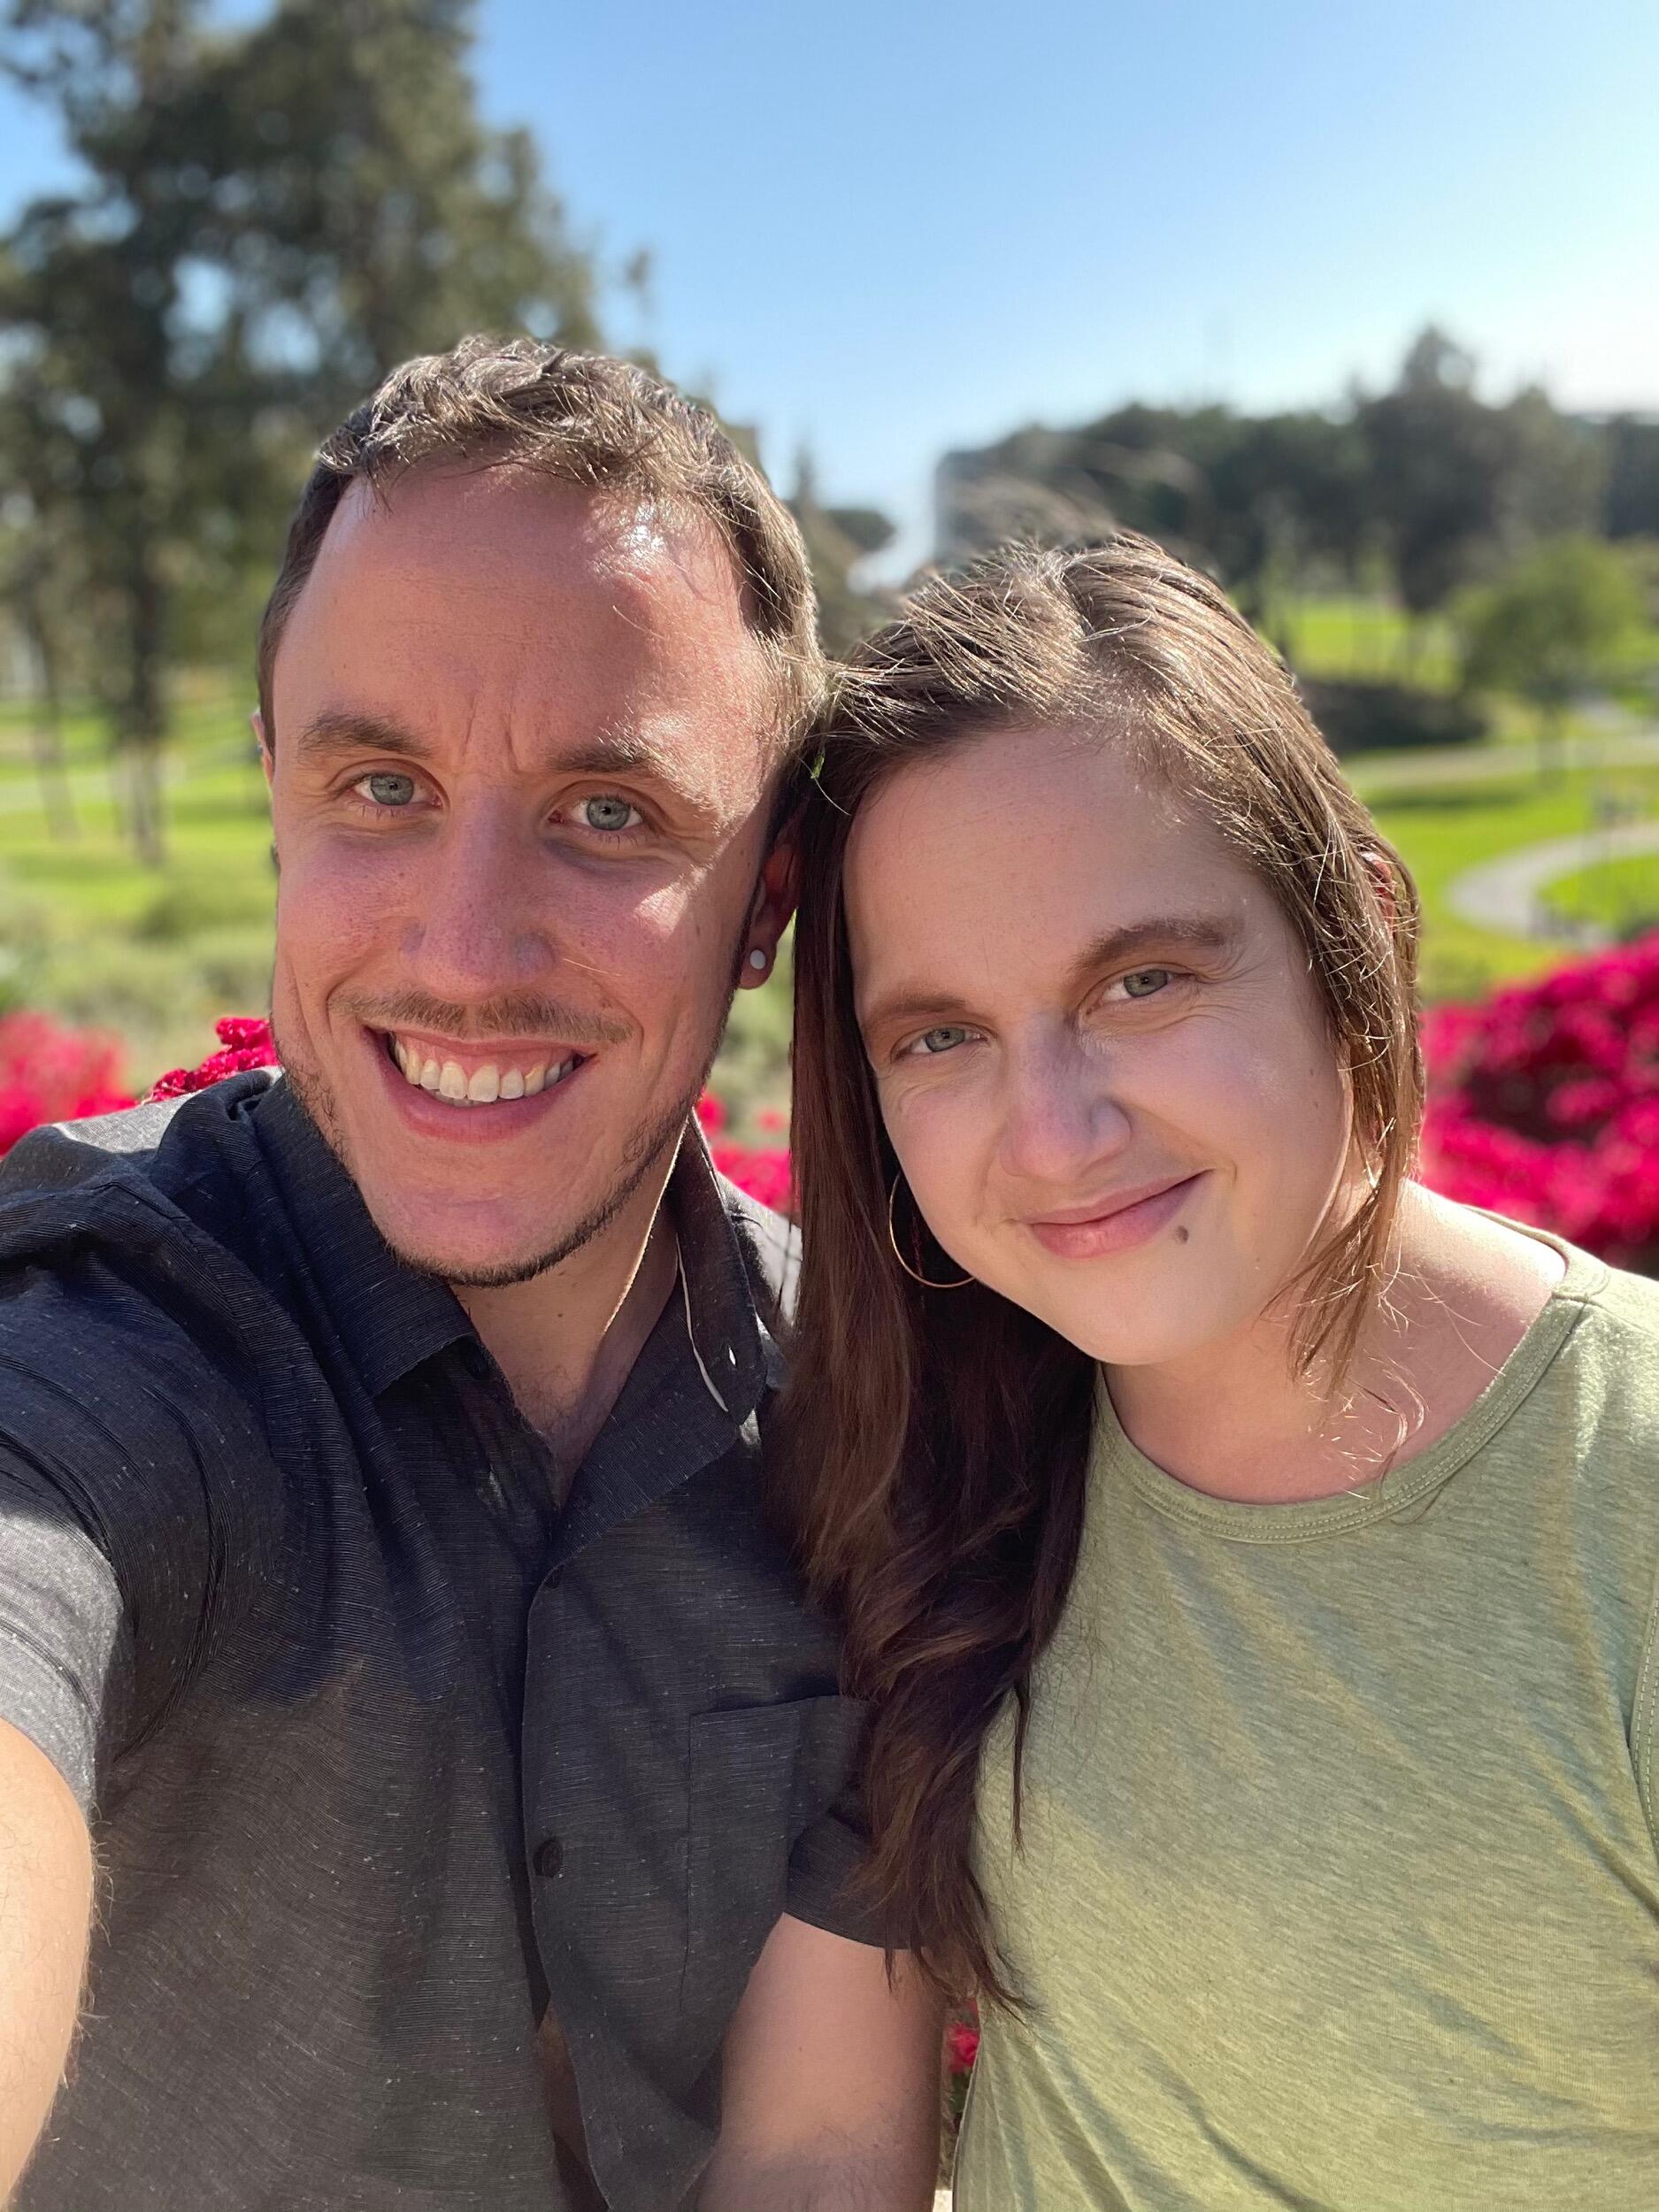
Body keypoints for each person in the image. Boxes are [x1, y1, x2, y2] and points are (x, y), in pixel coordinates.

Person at [0, 338, 941, 2212]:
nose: (464, 948)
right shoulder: (116, 1334)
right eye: (381, 784)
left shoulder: (868, 1416)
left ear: (766, 902)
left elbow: (823, 2151)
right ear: (277, 791)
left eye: (609, 812)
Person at [778, 534, 1659, 2209]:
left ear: (1358, 935)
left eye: (1143, 981)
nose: (1055, 1137)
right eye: (942, 1035)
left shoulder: (1625, 1502)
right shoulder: (936, 1467)